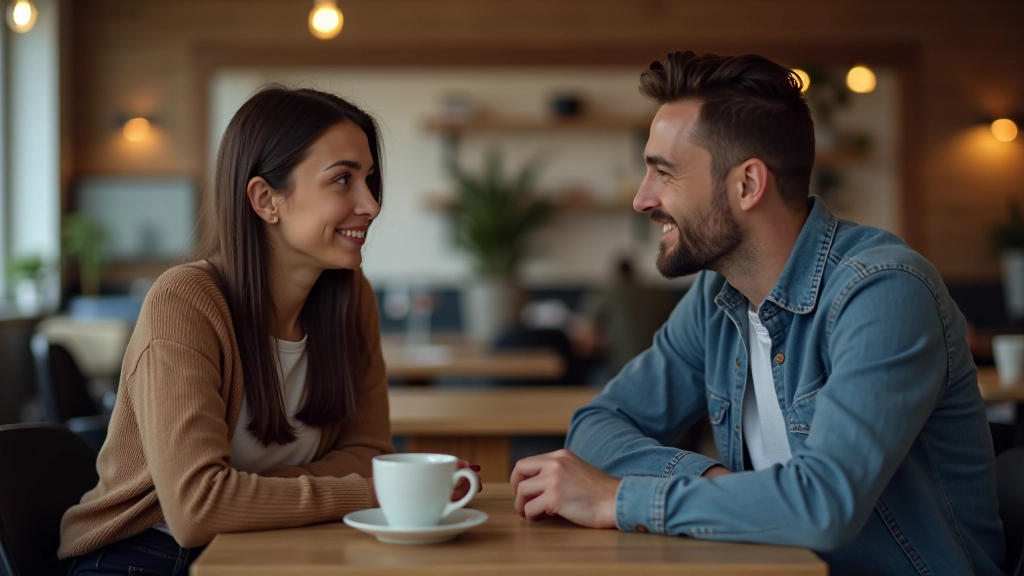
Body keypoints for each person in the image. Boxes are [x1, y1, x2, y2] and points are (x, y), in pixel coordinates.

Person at [510, 51, 1005, 575]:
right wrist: (714, 485)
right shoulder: (716, 297)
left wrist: (620, 498)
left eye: (664, 173)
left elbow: (824, 507)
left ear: (747, 184)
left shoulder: (882, 291)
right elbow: (597, 425)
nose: (641, 198)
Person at [60, 86, 476, 576]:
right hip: (145, 556)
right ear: (265, 199)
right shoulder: (185, 301)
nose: (370, 204)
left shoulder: (350, 297)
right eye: (342, 179)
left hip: (272, 543)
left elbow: (369, 453)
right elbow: (197, 510)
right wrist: (363, 492)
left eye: (369, 179)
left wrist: (249, 491)